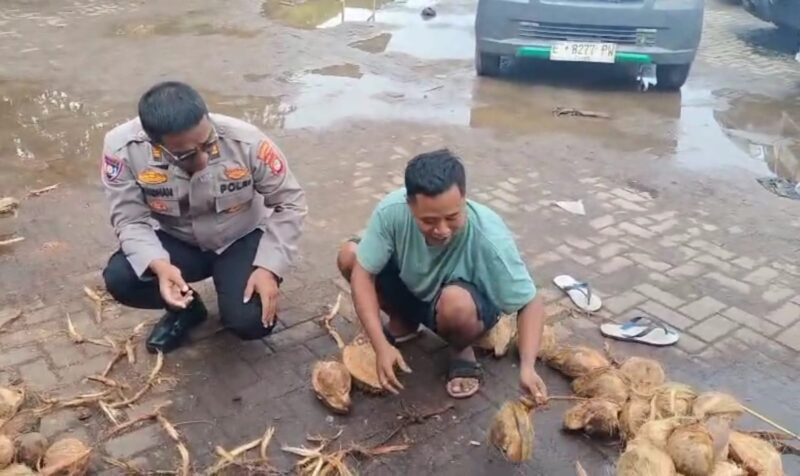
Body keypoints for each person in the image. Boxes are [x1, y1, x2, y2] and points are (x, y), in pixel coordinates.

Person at [101, 81, 307, 354]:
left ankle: (236, 289)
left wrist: (269, 267)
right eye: (185, 154)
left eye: (207, 143)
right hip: (178, 241)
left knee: (251, 323)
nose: (203, 159)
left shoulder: (247, 141)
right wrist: (160, 266)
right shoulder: (122, 149)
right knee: (122, 278)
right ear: (155, 144)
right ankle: (186, 309)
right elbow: (130, 220)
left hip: (240, 238)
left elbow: (290, 203)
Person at [337, 149, 548, 402]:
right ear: (409, 205)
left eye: (452, 217)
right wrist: (379, 344)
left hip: (465, 306)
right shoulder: (391, 212)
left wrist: (527, 367)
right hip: (415, 288)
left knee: (455, 304)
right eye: (428, 221)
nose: (442, 230)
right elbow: (363, 275)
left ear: (464, 198)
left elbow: (530, 302)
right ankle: (403, 322)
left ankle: (461, 349)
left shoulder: (490, 236)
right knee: (350, 255)